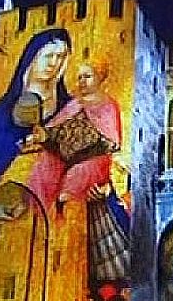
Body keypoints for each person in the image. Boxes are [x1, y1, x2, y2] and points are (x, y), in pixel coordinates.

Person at [0, 29, 72, 198]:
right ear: (32, 58)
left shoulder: (70, 108)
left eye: (60, 56)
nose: (53, 63)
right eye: (48, 55)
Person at [26, 58, 122, 213]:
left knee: (77, 176)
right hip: (66, 154)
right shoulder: (74, 104)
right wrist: (42, 135)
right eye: (80, 77)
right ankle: (35, 209)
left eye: (87, 76)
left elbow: (112, 142)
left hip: (95, 158)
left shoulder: (108, 105)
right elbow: (54, 128)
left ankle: (64, 211)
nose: (82, 81)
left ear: (99, 77)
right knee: (44, 164)